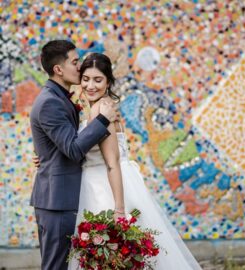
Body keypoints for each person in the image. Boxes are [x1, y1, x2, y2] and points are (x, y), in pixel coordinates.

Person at [67, 53, 202, 270]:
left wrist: (119, 210)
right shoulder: (104, 106)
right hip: (98, 184)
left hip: (105, 190)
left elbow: (112, 163)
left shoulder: (102, 111)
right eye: (86, 79)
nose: (90, 85)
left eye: (98, 80)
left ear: (108, 82)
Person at [30, 40, 118, 270]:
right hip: (57, 201)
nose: (79, 68)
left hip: (62, 198)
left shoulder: (60, 97)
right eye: (75, 62)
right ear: (59, 69)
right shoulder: (51, 102)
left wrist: (45, 155)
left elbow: (60, 143)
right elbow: (73, 148)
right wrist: (102, 120)